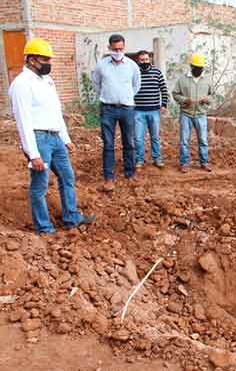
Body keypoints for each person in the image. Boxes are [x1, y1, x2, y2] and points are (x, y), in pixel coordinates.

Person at [8, 38, 95, 235]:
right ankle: (44, 228)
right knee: (40, 185)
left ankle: (71, 218)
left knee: (67, 177)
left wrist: (66, 138)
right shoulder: (22, 85)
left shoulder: (47, 80)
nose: (48, 63)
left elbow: (55, 111)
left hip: (55, 138)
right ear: (31, 60)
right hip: (38, 139)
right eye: (44, 59)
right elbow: (23, 122)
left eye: (49, 59)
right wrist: (33, 153)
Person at [92, 34, 141, 191]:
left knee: (129, 142)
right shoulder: (101, 65)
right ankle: (109, 178)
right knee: (108, 144)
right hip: (108, 109)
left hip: (127, 108)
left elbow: (136, 85)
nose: (118, 52)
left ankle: (130, 173)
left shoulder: (132, 66)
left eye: (121, 49)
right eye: (115, 49)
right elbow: (96, 84)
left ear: (124, 48)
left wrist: (125, 97)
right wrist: (109, 96)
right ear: (109, 48)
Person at [172, 54, 213, 173]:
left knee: (203, 140)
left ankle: (204, 162)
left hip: (201, 114)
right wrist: (184, 100)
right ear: (191, 66)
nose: (199, 70)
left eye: (201, 68)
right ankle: (184, 163)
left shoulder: (207, 80)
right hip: (186, 114)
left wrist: (207, 100)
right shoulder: (182, 79)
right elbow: (175, 94)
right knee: (184, 140)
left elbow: (212, 95)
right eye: (197, 67)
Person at [134, 50, 169, 169]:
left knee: (155, 137)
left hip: (154, 111)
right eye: (142, 60)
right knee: (138, 138)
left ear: (150, 60)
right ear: (138, 61)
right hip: (138, 111)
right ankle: (139, 159)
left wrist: (164, 104)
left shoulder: (157, 72)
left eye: (146, 59)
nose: (144, 62)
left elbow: (163, 89)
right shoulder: (135, 73)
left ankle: (157, 158)